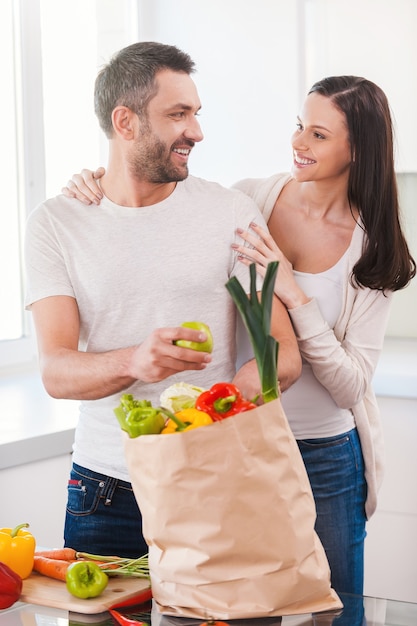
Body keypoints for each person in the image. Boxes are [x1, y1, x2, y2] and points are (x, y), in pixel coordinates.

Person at [64, 75, 416, 597]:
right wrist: (97, 180)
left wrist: (294, 295)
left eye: (318, 135)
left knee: (333, 605)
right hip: (236, 441)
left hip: (324, 455)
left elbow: (350, 387)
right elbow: (161, 190)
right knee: (244, 603)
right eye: (300, 126)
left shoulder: (374, 247)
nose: (298, 143)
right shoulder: (251, 198)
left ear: (357, 148)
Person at [24, 42, 301, 560]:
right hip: (106, 492)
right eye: (178, 114)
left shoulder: (229, 214)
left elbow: (279, 353)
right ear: (125, 122)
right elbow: (56, 371)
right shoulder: (55, 225)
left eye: (196, 113)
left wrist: (226, 404)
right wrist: (136, 361)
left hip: (215, 478)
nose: (196, 131)